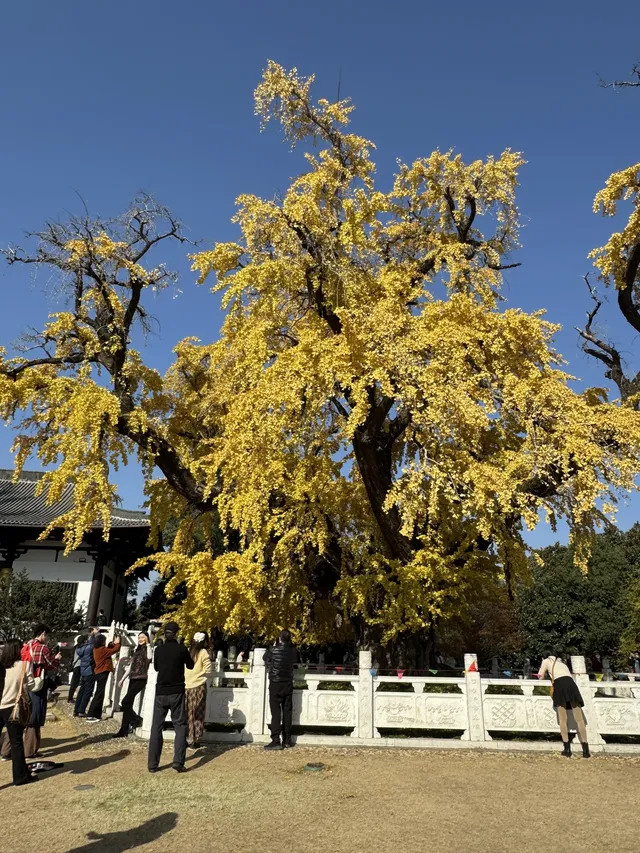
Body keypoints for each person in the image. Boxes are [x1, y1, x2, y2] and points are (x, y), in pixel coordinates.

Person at [148, 621, 194, 773]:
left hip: (161, 691)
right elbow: (190, 665)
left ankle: (152, 764)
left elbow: (156, 667)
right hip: (176, 690)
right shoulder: (181, 649)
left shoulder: (159, 650)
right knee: (180, 725)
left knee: (156, 727)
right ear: (176, 633)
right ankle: (178, 761)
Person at [538, 652, 590, 758]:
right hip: (571, 685)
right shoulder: (562, 663)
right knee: (579, 720)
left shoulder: (546, 661)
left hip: (560, 685)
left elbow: (540, 676)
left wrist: (544, 675)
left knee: (562, 719)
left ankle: (567, 749)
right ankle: (586, 750)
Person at [21, 623, 61, 758]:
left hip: (25, 683)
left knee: (25, 714)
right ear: (43, 633)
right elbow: (50, 666)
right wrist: (56, 659)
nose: (48, 638)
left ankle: (10, 750)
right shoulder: (43, 648)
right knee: (35, 717)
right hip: (38, 684)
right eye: (47, 635)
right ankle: (30, 750)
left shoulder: (27, 645)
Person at [0, 638, 36, 785]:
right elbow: (32, 685)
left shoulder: (2, 666)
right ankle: (20, 776)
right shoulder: (23, 665)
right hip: (13, 707)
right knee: (16, 743)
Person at [264, 629, 297, 751]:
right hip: (288, 683)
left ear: (279, 638)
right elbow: (294, 661)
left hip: (275, 683)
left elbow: (265, 658)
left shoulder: (273, 650)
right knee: (287, 710)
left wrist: (273, 646)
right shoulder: (293, 651)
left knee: (276, 712)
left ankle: (276, 740)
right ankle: (287, 740)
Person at [113, 632, 151, 738]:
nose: (141, 639)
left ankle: (136, 719)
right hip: (132, 678)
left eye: (143, 637)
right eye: (139, 637)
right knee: (128, 703)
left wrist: (148, 644)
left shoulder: (148, 648)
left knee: (125, 701)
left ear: (147, 638)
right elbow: (131, 666)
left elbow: (149, 658)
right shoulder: (136, 650)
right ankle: (123, 729)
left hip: (141, 678)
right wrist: (122, 678)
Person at [185, 631, 212, 748]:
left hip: (187, 685)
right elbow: (208, 669)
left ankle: (188, 737)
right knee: (198, 713)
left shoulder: (187, 651)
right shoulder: (203, 652)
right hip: (199, 685)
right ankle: (196, 739)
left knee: (188, 713)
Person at [86, 633, 121, 721]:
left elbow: (108, 650)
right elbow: (114, 650)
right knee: (99, 694)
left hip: (99, 672)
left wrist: (112, 644)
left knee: (100, 694)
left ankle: (97, 714)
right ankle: (91, 714)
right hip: (102, 673)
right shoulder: (101, 650)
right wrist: (117, 643)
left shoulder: (97, 649)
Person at [74, 628, 99, 717]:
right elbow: (93, 644)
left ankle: (76, 710)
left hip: (83, 671)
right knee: (87, 692)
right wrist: (94, 634)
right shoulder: (88, 648)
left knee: (81, 691)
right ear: (85, 641)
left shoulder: (78, 649)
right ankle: (81, 710)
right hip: (89, 671)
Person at [67, 635, 85, 703]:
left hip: (76, 666)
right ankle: (70, 698)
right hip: (78, 665)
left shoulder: (75, 647)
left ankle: (70, 697)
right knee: (76, 682)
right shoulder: (81, 648)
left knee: (74, 682)